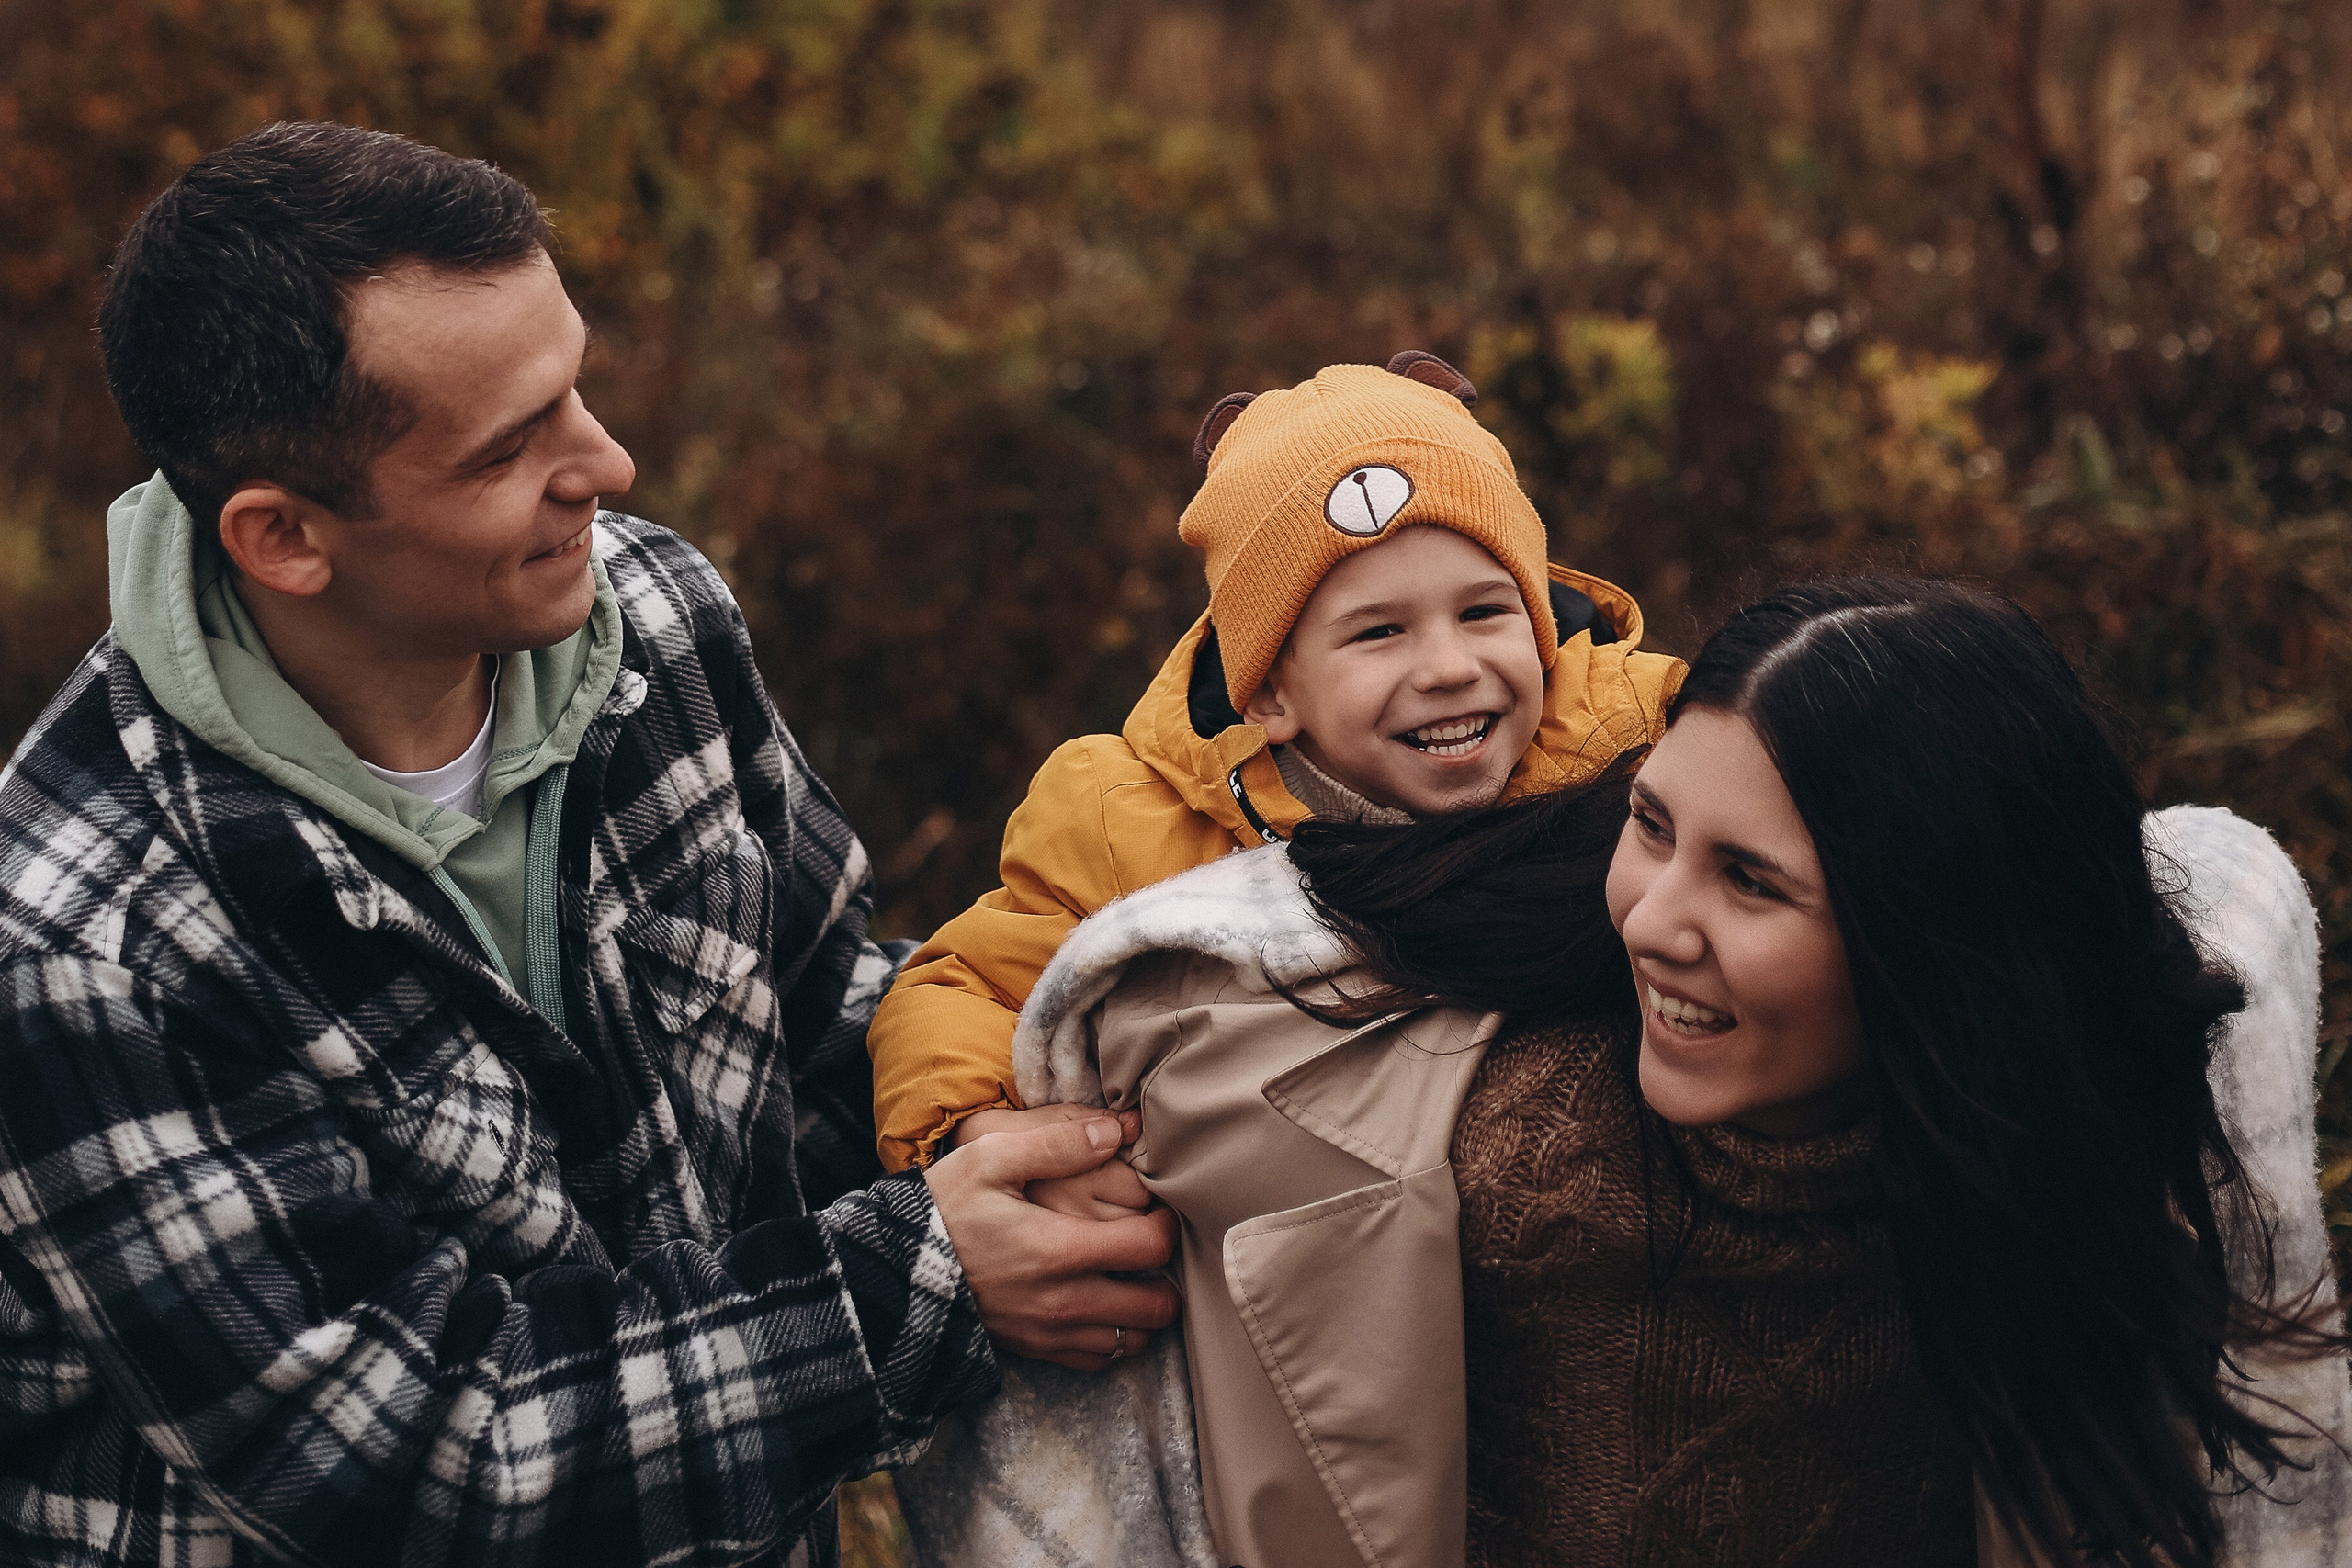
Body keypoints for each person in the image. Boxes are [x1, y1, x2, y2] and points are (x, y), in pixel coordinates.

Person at [0, 120, 1173, 1568]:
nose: (607, 462)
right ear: (286, 536)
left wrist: (1017, 1108)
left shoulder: (652, 615)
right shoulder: (85, 942)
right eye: (512, 446)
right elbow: (416, 1467)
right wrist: (927, 1279)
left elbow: (816, 1014)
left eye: (578, 387)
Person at [924, 576, 2350, 1567]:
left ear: (1941, 944)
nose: (1653, 920)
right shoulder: (1492, 1146)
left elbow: (2218, 907)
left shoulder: (2064, 1157)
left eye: (1751, 882)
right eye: (1651, 825)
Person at [865, 350, 1684, 1195]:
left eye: (1484, 611)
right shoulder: (1126, 816)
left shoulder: (1626, 730)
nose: (1448, 666)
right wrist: (989, 1136)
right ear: (1268, 694)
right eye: (1379, 633)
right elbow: (954, 985)